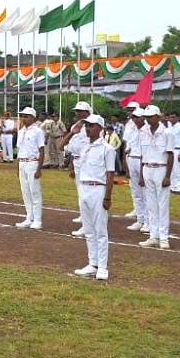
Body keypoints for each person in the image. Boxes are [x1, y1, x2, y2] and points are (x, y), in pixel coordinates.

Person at [72, 114, 116, 281]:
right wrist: (73, 131)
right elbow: (64, 146)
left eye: (91, 126)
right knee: (89, 230)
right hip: (84, 188)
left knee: (100, 230)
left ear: (100, 128)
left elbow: (110, 174)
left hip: (98, 189)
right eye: (87, 126)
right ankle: (92, 263)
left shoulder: (107, 149)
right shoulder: (84, 147)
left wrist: (107, 197)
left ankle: (103, 266)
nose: (88, 129)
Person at [138, 105, 174, 249]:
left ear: (158, 117)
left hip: (161, 169)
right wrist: (141, 175)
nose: (148, 120)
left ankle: (164, 238)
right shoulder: (143, 132)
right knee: (151, 205)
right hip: (147, 168)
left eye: (151, 116)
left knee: (162, 205)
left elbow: (170, 154)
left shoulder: (167, 132)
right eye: (146, 117)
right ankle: (153, 236)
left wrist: (167, 176)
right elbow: (142, 154)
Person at [62, 101, 92, 237]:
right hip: (77, 160)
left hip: (88, 162)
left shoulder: (94, 126)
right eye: (77, 111)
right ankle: (84, 218)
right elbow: (69, 146)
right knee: (81, 192)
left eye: (80, 111)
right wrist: (71, 165)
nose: (77, 113)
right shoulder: (75, 126)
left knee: (88, 193)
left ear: (87, 112)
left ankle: (88, 225)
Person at [15, 107, 45, 229]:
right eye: (22, 116)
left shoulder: (38, 131)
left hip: (32, 162)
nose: (23, 118)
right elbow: (19, 149)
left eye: (26, 116)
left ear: (33, 118)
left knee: (34, 191)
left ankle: (37, 219)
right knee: (25, 191)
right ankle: (29, 217)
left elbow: (41, 150)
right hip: (22, 162)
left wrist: (39, 169)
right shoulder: (21, 131)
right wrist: (18, 167)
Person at [124, 108, 148, 233]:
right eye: (133, 117)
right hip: (132, 159)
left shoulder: (148, 130)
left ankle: (148, 222)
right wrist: (126, 165)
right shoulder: (131, 129)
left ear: (143, 118)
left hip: (142, 160)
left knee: (145, 193)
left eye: (136, 117)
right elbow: (127, 147)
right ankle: (140, 219)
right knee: (136, 192)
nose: (134, 119)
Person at [166, 112, 180, 194]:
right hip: (170, 150)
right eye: (170, 117)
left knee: (178, 170)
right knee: (171, 170)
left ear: (177, 118)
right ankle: (172, 187)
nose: (171, 119)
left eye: (173, 117)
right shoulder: (168, 127)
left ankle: (178, 188)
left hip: (178, 150)